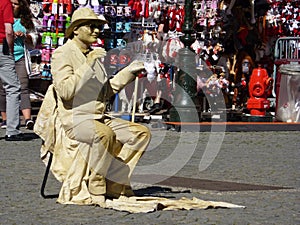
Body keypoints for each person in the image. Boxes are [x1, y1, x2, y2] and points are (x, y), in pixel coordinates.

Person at [34, 8, 151, 206]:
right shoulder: (63, 54)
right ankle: (96, 183)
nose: (96, 31)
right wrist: (89, 64)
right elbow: (66, 91)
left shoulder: (93, 54)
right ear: (76, 30)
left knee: (140, 134)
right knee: (104, 134)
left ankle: (113, 181)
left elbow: (107, 91)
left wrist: (128, 73)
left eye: (98, 27)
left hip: (97, 117)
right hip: (73, 118)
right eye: (92, 26)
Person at [0, 0, 36, 130]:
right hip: (6, 54)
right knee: (4, 89)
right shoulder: (3, 12)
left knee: (23, 87)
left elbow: (34, 38)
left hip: (20, 57)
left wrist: (25, 36)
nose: (13, 6)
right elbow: (7, 32)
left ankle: (27, 118)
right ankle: (6, 120)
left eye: (16, 3)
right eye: (12, 3)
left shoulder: (25, 21)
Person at [0, 0, 25, 141]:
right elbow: (8, 30)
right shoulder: (5, 3)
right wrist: (9, 50)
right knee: (12, 88)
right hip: (1, 47)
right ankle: (12, 130)